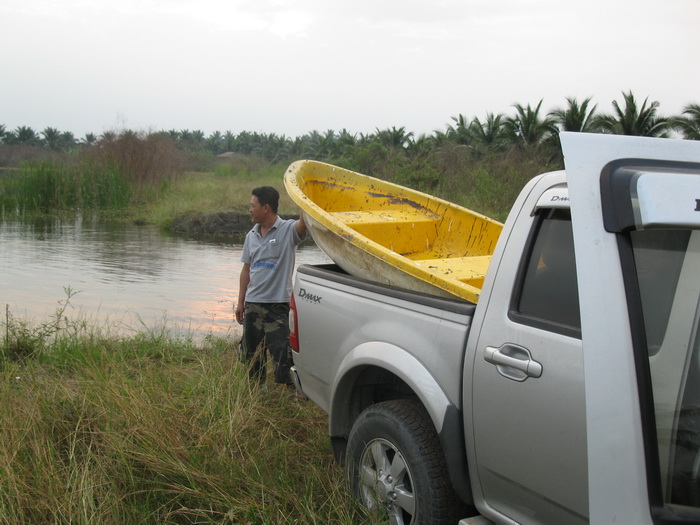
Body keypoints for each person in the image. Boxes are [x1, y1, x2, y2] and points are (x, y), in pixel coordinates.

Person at [235, 186, 307, 389]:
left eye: (253, 205)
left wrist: (305, 196)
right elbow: (246, 271)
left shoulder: (288, 230)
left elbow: (305, 223)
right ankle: (258, 388)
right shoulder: (251, 235)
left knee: (283, 352)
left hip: (278, 305)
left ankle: (292, 393)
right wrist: (241, 302)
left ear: (266, 208)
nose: (250, 209)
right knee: (251, 352)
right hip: (253, 304)